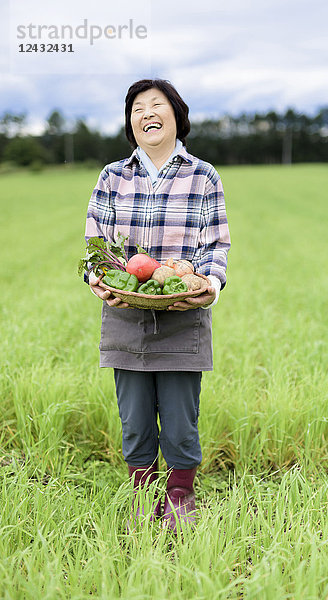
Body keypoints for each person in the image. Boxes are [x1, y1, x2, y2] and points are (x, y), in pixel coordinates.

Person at [84, 78, 230, 532]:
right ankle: (143, 490)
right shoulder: (113, 176)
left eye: (156, 105)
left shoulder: (202, 175)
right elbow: (98, 245)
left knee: (182, 414)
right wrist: (99, 280)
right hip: (125, 310)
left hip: (183, 311)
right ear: (131, 122)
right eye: (137, 108)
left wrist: (209, 283)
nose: (146, 112)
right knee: (134, 415)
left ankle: (181, 491)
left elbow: (216, 244)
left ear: (176, 115)